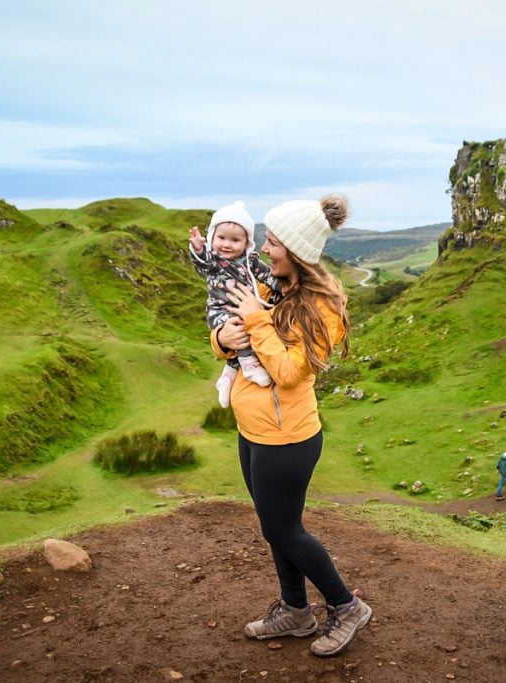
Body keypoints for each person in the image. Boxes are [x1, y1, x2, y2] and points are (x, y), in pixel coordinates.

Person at [215, 194, 373, 657]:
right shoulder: (271, 284)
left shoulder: (323, 307)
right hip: (253, 429)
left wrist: (256, 321)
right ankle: (296, 612)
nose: (264, 248)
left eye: (275, 241)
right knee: (274, 527)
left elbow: (289, 371)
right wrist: (222, 338)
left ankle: (346, 606)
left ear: (297, 251)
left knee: (286, 530)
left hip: (288, 438)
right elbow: (234, 339)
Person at [189, 200, 281, 407]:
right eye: (221, 238)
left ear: (246, 242)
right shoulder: (214, 261)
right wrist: (198, 249)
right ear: (212, 237)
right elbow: (202, 261)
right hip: (221, 310)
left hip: (241, 309)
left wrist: (284, 287)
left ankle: (227, 378)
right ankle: (248, 366)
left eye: (235, 240)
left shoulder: (250, 260)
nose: (227, 245)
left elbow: (266, 275)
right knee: (240, 329)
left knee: (247, 327)